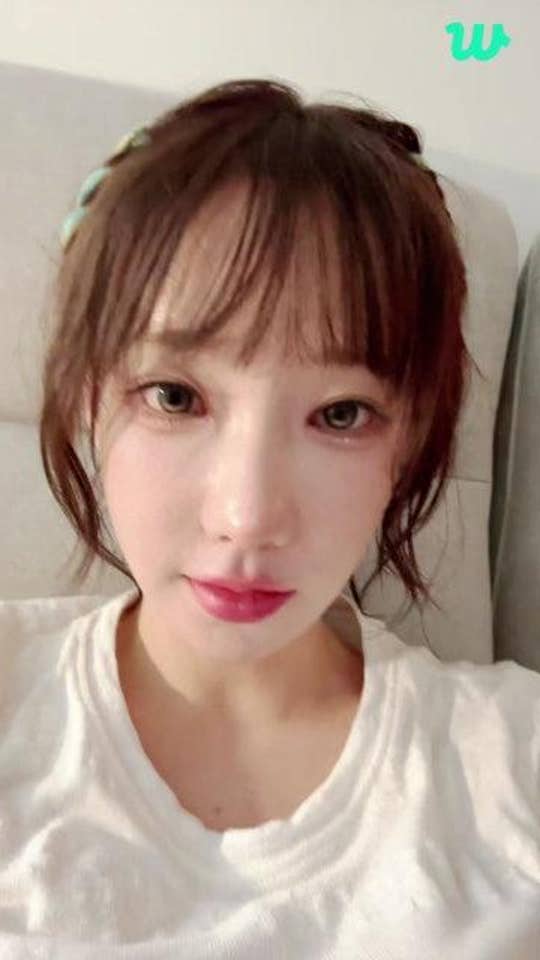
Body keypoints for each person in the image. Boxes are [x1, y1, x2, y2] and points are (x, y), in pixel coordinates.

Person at [0, 77, 538, 959]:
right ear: (89, 396)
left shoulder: (510, 765)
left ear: (410, 438)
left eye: (340, 414)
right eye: (175, 397)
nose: (247, 518)